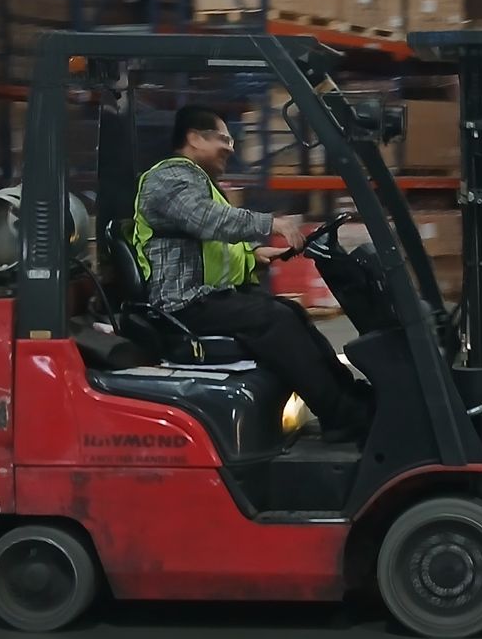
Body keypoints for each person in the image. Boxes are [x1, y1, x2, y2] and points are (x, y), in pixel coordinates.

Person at [131, 105, 372, 437]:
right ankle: (341, 415)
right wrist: (270, 223)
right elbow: (207, 220)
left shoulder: (195, 180)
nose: (231, 148)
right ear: (194, 138)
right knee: (275, 320)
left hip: (204, 298)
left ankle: (349, 396)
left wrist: (255, 255)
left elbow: (211, 247)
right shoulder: (169, 178)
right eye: (223, 139)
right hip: (181, 305)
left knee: (291, 311)